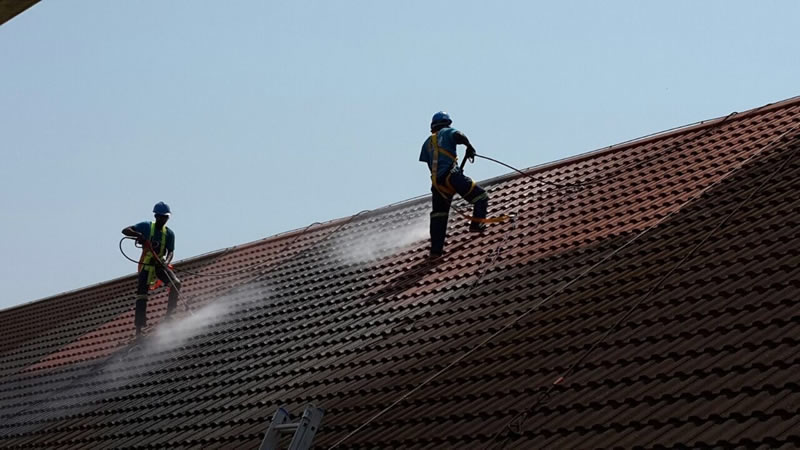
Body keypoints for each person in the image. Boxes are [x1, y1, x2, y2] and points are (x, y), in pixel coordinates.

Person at [419, 111, 489, 258]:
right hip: (452, 176)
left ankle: (435, 250)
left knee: (439, 215)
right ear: (447, 123)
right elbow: (459, 135)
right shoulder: (446, 132)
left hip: (438, 185)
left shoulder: (426, 144)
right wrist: (469, 146)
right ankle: (476, 224)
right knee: (481, 196)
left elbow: (431, 164)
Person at [121, 201, 180, 336]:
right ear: (156, 216)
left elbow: (170, 251)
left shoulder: (169, 234)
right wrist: (139, 235)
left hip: (160, 264)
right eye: (161, 217)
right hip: (147, 265)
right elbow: (125, 230)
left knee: (176, 283)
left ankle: (170, 316)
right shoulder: (146, 226)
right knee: (142, 294)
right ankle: (139, 327)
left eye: (166, 217)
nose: (163, 219)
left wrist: (166, 262)